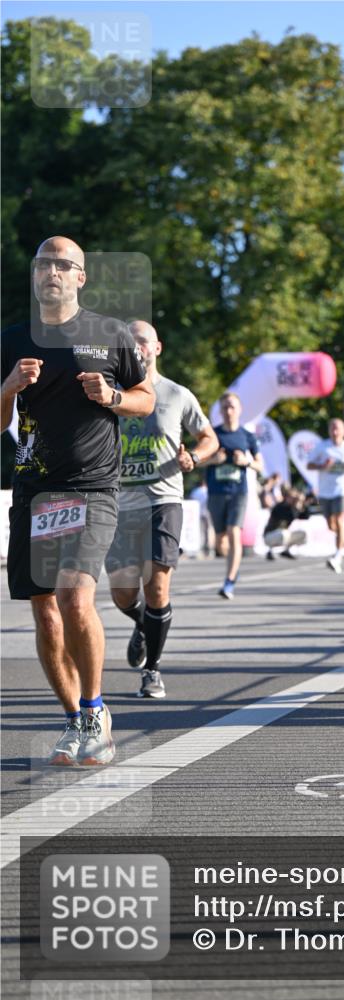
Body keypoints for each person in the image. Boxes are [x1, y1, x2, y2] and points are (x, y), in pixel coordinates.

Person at [0, 236, 153, 765]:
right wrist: (7, 390)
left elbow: (145, 398)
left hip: (92, 488)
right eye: (44, 264)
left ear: (81, 277)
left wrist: (111, 396)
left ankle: (94, 711)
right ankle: (75, 721)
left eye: (64, 265)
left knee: (73, 597)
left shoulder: (109, 334)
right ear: (35, 274)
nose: (53, 272)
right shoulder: (12, 340)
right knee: (44, 613)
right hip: (34, 491)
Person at [104, 321, 218, 698]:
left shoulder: (177, 394)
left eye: (142, 342)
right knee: (122, 593)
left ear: (157, 348)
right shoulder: (110, 393)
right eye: (129, 342)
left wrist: (195, 458)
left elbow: (209, 437)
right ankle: (142, 624)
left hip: (163, 501)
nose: (135, 347)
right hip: (120, 504)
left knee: (157, 587)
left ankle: (151, 670)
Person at [203, 391, 263, 599]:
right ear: (220, 411)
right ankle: (233, 565)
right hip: (216, 492)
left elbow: (260, 465)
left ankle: (229, 580)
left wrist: (246, 462)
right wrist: (214, 460)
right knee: (221, 541)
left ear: (239, 410)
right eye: (225, 407)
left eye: (232, 407)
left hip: (239, 492)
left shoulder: (247, 436)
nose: (229, 411)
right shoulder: (213, 434)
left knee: (234, 532)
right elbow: (198, 459)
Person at [307, 418, 344, 574]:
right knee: (331, 524)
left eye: (338, 429)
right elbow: (309, 464)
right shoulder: (322, 446)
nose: (335, 432)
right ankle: (342, 540)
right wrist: (323, 466)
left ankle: (337, 556)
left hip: (342, 489)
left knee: (340, 519)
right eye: (332, 429)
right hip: (325, 491)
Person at [263, 487, 310, 558]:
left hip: (284, 535)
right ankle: (270, 550)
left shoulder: (293, 508)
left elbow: (305, 517)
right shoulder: (279, 507)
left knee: (303, 534)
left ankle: (286, 550)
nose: (294, 499)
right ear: (287, 497)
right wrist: (296, 507)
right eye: (292, 497)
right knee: (283, 533)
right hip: (270, 535)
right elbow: (287, 515)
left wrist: (302, 503)